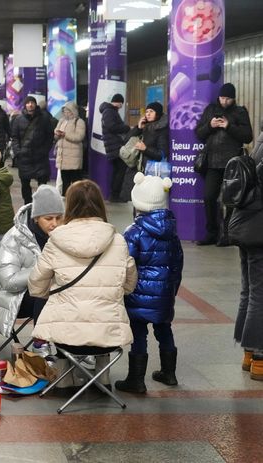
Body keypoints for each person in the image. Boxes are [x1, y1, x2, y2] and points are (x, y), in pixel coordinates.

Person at [28, 180, 136, 366]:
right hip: (108, 336)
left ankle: (64, 382)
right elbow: (129, 285)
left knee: (62, 321)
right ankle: (103, 380)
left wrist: (60, 294)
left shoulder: (56, 240)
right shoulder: (118, 241)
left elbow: (36, 286)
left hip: (65, 335)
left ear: (69, 206)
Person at [115, 173, 184, 394]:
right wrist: (172, 288)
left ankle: (136, 380)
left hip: (138, 293)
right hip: (165, 293)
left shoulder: (134, 232)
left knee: (139, 334)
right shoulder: (172, 232)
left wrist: (123, 289)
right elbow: (178, 264)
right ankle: (169, 373)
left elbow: (126, 263)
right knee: (164, 329)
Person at [0, 185, 64, 349]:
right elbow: (8, 282)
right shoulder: (14, 238)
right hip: (12, 298)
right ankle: (41, 344)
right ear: (36, 218)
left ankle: (72, 347)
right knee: (45, 292)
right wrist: (43, 269)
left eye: (59, 218)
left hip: (53, 294)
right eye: (48, 219)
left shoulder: (63, 236)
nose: (55, 224)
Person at [195, 83, 253, 246]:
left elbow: (248, 136)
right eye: (222, 98)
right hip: (212, 163)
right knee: (208, 197)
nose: (224, 101)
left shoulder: (240, 112)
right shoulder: (210, 110)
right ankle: (211, 233)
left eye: (227, 98)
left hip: (233, 164)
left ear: (233, 99)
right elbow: (199, 133)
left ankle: (227, 235)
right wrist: (210, 126)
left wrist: (228, 126)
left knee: (231, 201)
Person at [231, 135, 263, 381]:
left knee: (248, 290)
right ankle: (260, 359)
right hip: (257, 228)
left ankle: (248, 353)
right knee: (259, 294)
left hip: (244, 224)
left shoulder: (260, 144)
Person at [10, 96, 55, 204]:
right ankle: (28, 205)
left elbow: (49, 136)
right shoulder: (18, 119)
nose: (30, 104)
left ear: (35, 104)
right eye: (28, 102)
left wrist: (45, 150)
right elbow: (14, 137)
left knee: (43, 184)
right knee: (25, 184)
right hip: (24, 157)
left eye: (32, 102)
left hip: (40, 157)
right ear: (25, 105)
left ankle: (41, 205)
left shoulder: (44, 118)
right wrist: (18, 152)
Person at [100, 93, 131, 202]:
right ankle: (115, 195)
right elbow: (112, 127)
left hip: (112, 145)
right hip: (115, 145)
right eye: (121, 104)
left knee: (118, 170)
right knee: (120, 169)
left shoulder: (108, 111)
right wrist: (126, 128)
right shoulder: (109, 111)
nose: (121, 107)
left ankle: (115, 194)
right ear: (119, 102)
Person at [54, 101, 86, 196]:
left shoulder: (79, 122)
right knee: (65, 182)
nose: (66, 113)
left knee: (76, 181)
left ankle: (77, 199)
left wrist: (65, 135)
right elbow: (55, 136)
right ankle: (66, 198)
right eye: (64, 111)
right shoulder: (61, 121)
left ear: (73, 111)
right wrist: (57, 134)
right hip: (62, 157)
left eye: (68, 111)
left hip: (74, 156)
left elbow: (79, 137)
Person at [127, 101, 169, 173]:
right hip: (138, 166)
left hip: (152, 170)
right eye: (146, 112)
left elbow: (161, 155)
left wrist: (145, 149)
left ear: (157, 113)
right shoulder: (145, 126)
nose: (148, 114)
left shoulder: (161, 129)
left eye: (151, 111)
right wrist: (138, 128)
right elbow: (127, 141)